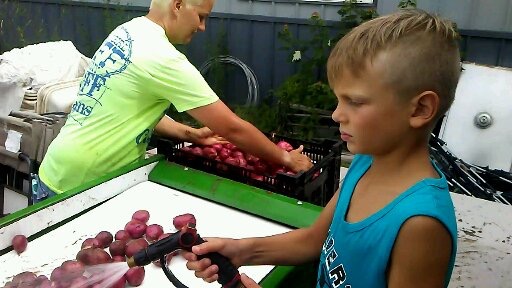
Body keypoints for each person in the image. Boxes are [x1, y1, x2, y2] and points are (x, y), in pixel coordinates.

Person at [184, 9, 461, 288]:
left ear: (421, 108)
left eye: (355, 101)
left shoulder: (421, 224)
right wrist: (242, 250)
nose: (336, 115)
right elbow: (314, 240)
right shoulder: (367, 161)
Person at [35, 0, 312, 202]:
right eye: (201, 17)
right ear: (178, 5)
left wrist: (190, 134)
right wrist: (285, 158)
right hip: (82, 186)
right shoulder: (163, 57)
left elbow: (131, 109)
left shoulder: (128, 31)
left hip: (55, 171)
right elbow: (232, 129)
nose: (203, 27)